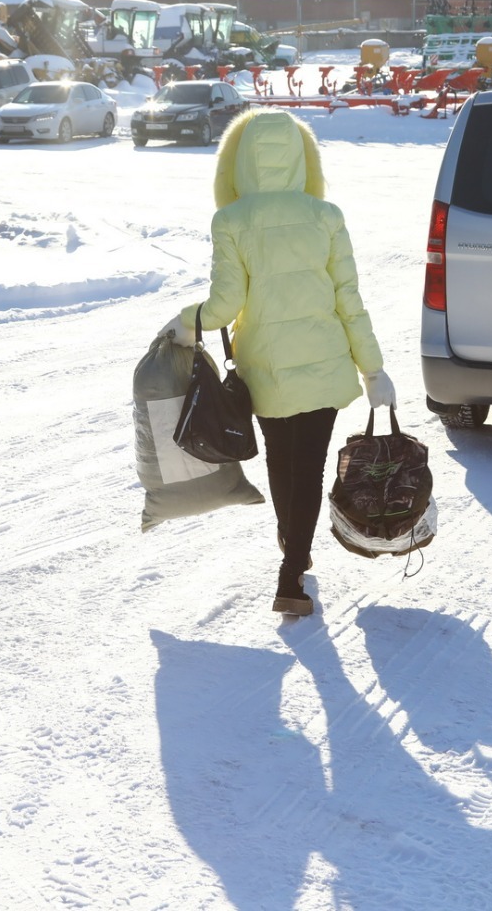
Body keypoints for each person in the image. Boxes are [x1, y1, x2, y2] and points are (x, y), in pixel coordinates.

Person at [161, 108, 392, 617]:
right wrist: (373, 370)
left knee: (280, 459)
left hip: (263, 366)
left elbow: (222, 306)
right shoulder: (325, 216)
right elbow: (349, 300)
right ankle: (293, 571)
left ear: (239, 162)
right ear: (300, 158)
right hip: (324, 362)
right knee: (308, 466)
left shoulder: (231, 220)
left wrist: (185, 323)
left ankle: (292, 545)